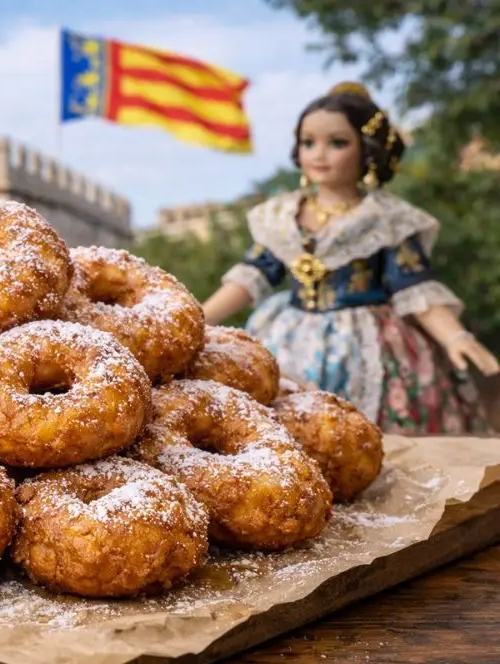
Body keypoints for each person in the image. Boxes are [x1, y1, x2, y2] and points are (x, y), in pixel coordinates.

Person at [202, 82, 499, 435]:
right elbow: (252, 275)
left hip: (370, 343)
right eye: (308, 142)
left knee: (375, 435)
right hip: (288, 334)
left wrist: (454, 336)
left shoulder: (383, 218)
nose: (319, 154)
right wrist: (198, 319)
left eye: (337, 143)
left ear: (366, 150)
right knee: (282, 419)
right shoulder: (282, 215)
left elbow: (414, 285)